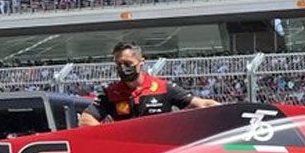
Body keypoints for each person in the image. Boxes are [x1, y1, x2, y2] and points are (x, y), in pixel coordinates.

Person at [79, 42, 218, 126]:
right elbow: (86, 119)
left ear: (141, 63)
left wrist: (235, 112)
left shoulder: (163, 88)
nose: (123, 68)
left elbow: (202, 104)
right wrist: (110, 138)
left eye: (128, 64)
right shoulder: (110, 93)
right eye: (118, 64)